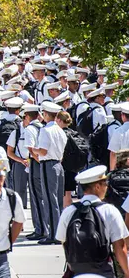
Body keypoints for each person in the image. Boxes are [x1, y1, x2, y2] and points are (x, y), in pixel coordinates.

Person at [56, 165, 129, 278]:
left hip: (76, 271)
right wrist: (127, 272)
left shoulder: (68, 211)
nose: (107, 187)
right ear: (97, 187)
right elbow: (119, 247)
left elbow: (64, 242)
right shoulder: (109, 211)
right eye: (105, 183)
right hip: (103, 271)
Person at [29, 101, 67, 245]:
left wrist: (34, 150)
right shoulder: (59, 130)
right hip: (58, 164)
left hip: (48, 164)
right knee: (57, 200)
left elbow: (43, 151)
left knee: (50, 201)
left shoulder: (46, 130)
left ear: (46, 114)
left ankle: (53, 235)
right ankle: (58, 233)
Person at [20, 103, 46, 241]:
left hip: (36, 164)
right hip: (43, 163)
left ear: (28, 116)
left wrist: (39, 162)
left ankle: (40, 229)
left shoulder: (30, 129)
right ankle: (44, 227)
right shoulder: (43, 127)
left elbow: (30, 149)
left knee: (36, 198)